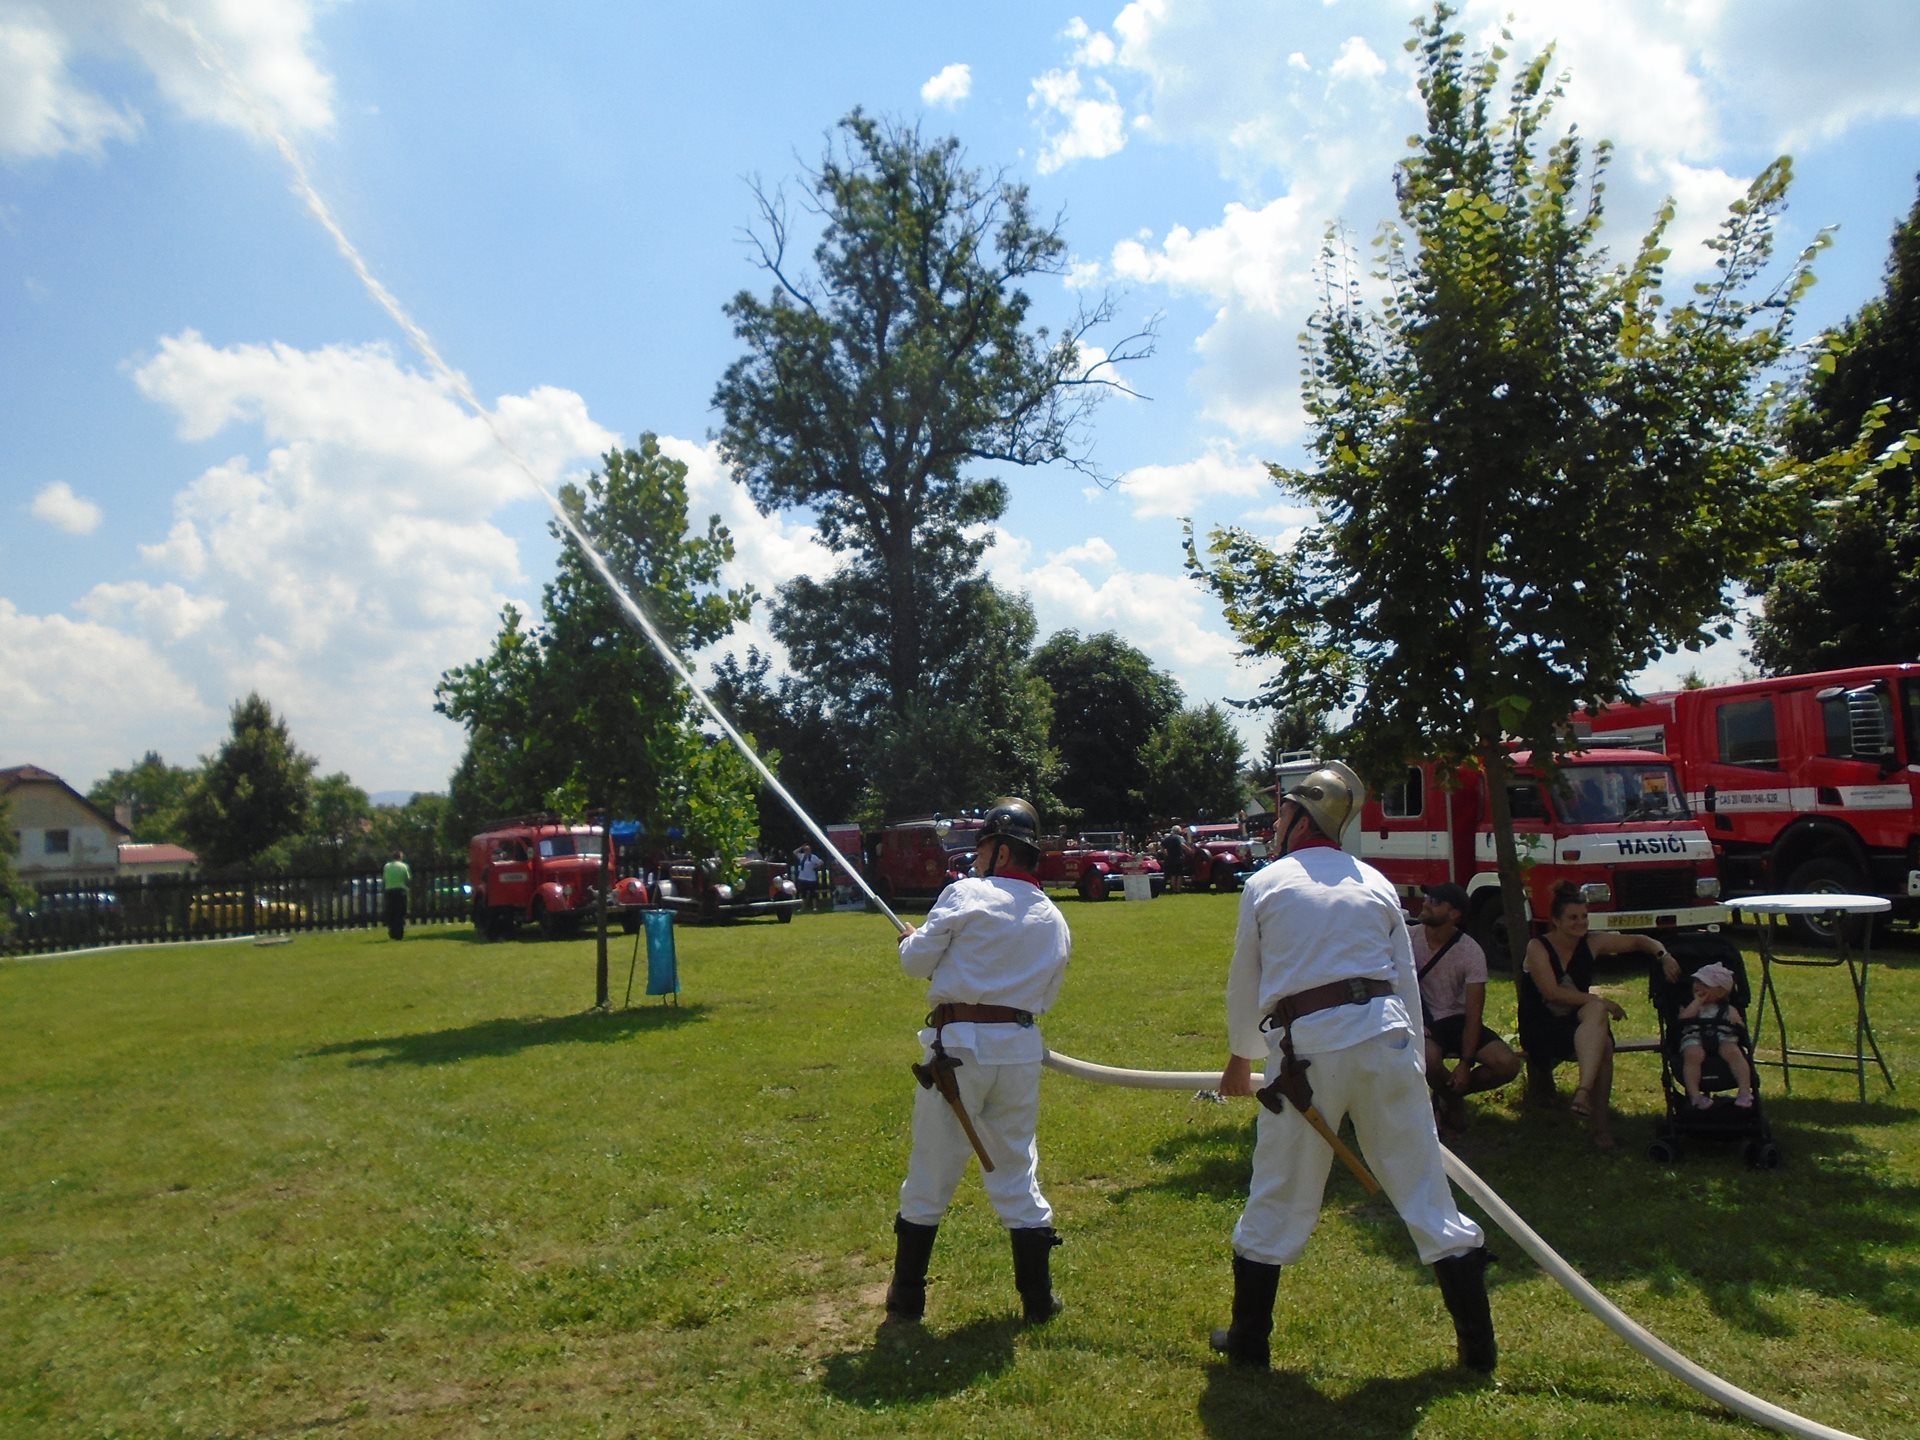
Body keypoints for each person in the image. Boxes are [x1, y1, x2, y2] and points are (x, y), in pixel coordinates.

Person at [1212, 763, 1498, 1374]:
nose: (1275, 823)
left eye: (1282, 813)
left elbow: (1246, 980)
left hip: (1309, 1052)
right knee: (1424, 1186)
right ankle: (1479, 1348)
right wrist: (1413, 1059)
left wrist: (1241, 1057)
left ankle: (1249, 1340)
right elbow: (1403, 978)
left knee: (1280, 1189)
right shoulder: (1376, 881)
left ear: (1302, 818)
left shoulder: (1267, 883)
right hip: (1386, 1039)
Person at [885, 798, 1072, 1327]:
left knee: (931, 1172)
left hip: (959, 1051)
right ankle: (1038, 1300)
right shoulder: (1054, 917)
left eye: (984, 847)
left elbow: (915, 963)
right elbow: (1047, 994)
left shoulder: (966, 893)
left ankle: (906, 1298)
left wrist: (912, 942)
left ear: (1002, 851)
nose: (976, 858)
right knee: (1017, 1168)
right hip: (1018, 1052)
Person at [1522, 881, 1682, 1150]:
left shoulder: (1592, 942)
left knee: (1602, 1033)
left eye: (1584, 916)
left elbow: (1640, 941)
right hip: (1542, 1025)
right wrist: (1601, 1001)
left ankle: (1584, 1095)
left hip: (1579, 1023)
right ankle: (1599, 1126)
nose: (1580, 923)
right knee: (1601, 1031)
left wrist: (1663, 955)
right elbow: (1552, 993)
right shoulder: (1537, 947)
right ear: (1556, 921)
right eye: (1573, 917)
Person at [1413, 882, 1521, 1134]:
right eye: (1427, 898)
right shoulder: (1406, 939)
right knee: (1428, 1059)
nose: (1426, 903)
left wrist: (1465, 1063)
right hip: (1423, 1020)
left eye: (1435, 902)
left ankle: (1447, 1095)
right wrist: (1415, 1021)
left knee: (1507, 1064)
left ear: (1454, 914)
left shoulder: (1470, 951)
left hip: (1458, 1020)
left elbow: (1474, 1013)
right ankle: (1452, 1101)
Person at [1676, 961, 1754, 1109]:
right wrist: (1697, 1002)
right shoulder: (1689, 1005)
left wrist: (1736, 1022)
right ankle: (1695, 1095)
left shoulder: (1728, 1008)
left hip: (1723, 1038)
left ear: (1720, 992)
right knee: (1693, 1054)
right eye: (1697, 982)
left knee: (1733, 1052)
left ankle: (1744, 1091)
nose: (1698, 986)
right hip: (1695, 1037)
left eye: (1705, 984)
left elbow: (1739, 1026)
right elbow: (1683, 1019)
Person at [382, 849, 410, 941]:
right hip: (400, 891)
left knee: (391, 912)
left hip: (389, 891)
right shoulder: (404, 866)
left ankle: (392, 932)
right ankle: (399, 933)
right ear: (400, 857)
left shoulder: (387, 866)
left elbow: (384, 878)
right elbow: (407, 878)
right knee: (400, 912)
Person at [792, 843, 826, 912]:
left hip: (811, 878)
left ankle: (815, 907)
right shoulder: (802, 856)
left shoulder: (813, 857)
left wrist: (816, 867)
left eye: (808, 849)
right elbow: (794, 852)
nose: (807, 851)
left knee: (813, 894)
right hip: (802, 878)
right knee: (803, 894)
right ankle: (802, 908)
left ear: (810, 850)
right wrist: (801, 847)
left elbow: (821, 862)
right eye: (805, 849)